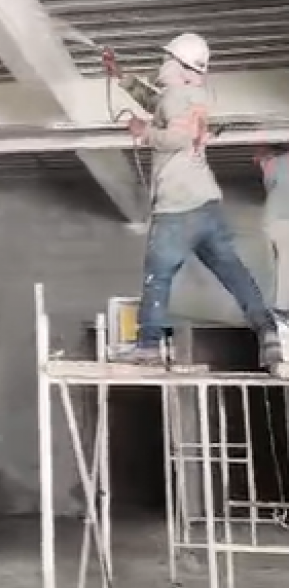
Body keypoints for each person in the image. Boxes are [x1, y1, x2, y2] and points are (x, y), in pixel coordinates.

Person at [103, 32, 282, 372]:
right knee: (234, 274)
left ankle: (148, 345)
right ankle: (268, 333)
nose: (164, 64)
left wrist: (144, 132)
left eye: (169, 59)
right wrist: (121, 76)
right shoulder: (191, 96)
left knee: (158, 275)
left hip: (178, 206)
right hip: (206, 206)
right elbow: (156, 103)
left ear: (184, 68)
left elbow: (177, 137)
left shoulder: (176, 97)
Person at [254, 146, 289, 313]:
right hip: (282, 219)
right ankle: (281, 306)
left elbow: (269, 185)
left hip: (275, 219)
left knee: (279, 262)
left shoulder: (273, 163)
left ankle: (279, 306)